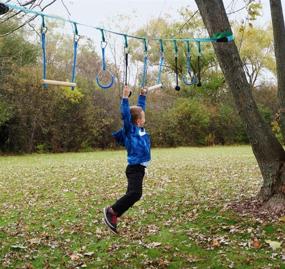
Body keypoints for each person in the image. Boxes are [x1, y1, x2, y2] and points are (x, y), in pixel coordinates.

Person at [103, 86, 151, 234]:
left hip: (139, 168)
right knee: (135, 193)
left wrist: (142, 95)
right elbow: (126, 115)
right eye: (142, 116)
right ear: (137, 121)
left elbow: (139, 109)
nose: (144, 116)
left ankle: (114, 213)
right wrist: (125, 97)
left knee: (134, 193)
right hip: (134, 168)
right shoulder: (131, 130)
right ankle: (112, 211)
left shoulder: (139, 129)